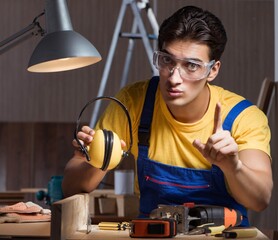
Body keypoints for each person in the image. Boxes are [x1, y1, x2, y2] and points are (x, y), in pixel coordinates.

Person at [62, 5, 273, 227]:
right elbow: (71, 187)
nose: (174, 78)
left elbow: (260, 199)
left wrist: (234, 167)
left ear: (213, 70)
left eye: (191, 66)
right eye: (167, 61)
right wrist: (98, 159)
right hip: (151, 234)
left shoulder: (244, 117)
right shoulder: (133, 103)